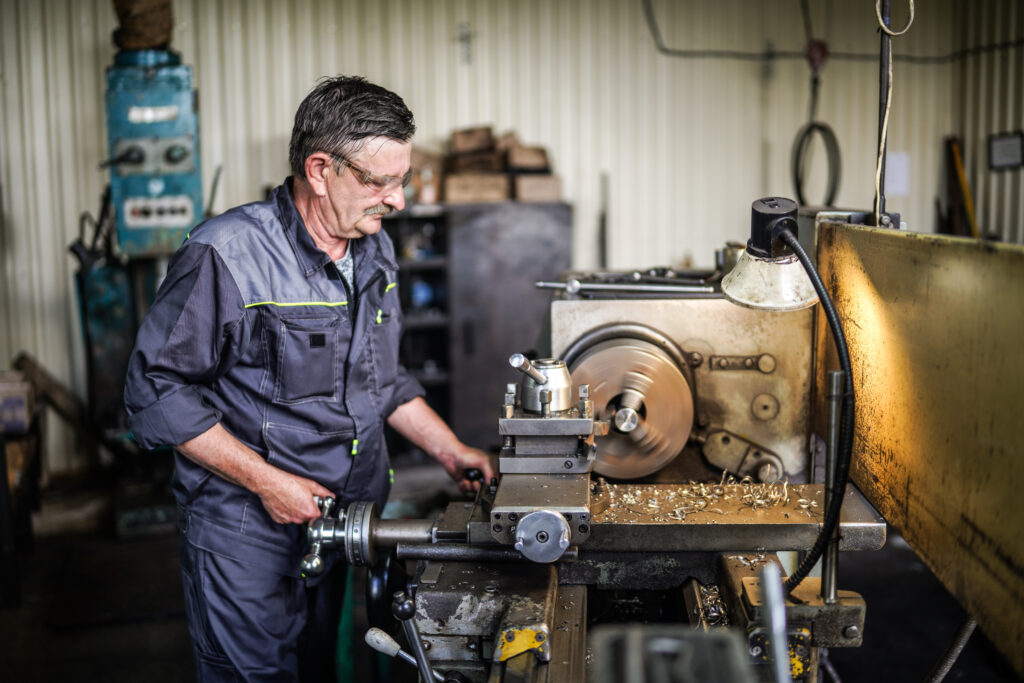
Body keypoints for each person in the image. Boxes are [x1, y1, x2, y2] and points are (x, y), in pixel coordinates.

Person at [124, 76, 494, 681]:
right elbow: (155, 391)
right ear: (321, 170)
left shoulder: (373, 249)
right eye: (381, 182)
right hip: (247, 530)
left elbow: (381, 379)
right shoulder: (227, 255)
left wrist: (451, 450)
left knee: (320, 667)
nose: (398, 201)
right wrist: (268, 483)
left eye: (403, 180)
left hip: (342, 521)